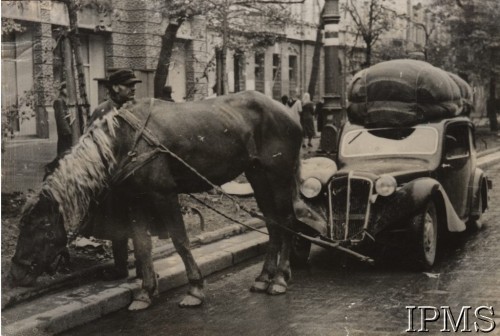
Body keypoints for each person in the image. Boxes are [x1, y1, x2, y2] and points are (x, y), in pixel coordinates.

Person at [85, 69, 145, 281]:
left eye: (133, 85)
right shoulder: (103, 111)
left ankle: (142, 268)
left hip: (136, 178)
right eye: (128, 85)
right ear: (114, 88)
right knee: (119, 226)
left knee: (140, 224)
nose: (133, 89)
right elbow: (90, 144)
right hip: (115, 180)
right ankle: (121, 267)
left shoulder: (136, 109)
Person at [53, 82, 73, 157]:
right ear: (62, 90)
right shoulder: (59, 101)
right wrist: (68, 132)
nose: (68, 90)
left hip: (68, 133)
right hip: (65, 134)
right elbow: (61, 119)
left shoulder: (65, 101)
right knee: (64, 154)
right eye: (66, 88)